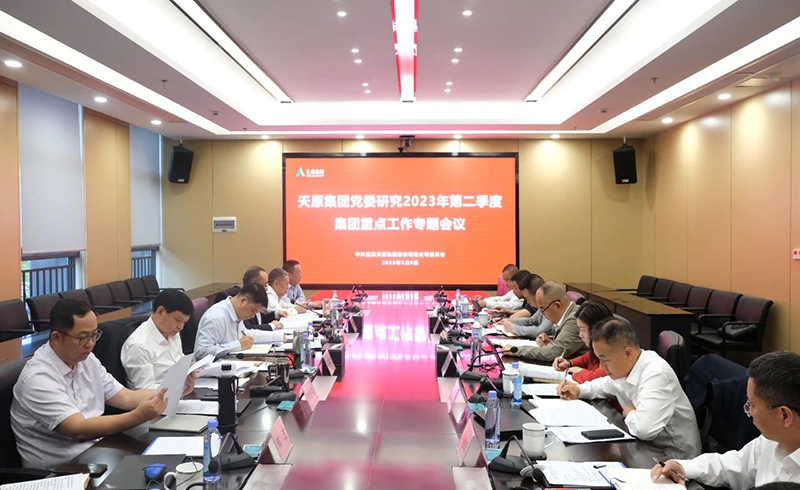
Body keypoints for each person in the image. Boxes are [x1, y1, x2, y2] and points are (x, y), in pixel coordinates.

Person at [11, 299, 168, 469]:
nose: (91, 344)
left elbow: (126, 397)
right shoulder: (38, 378)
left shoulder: (87, 360)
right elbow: (78, 429)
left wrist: (172, 389)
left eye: (94, 335)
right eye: (83, 337)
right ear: (57, 337)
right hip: (61, 469)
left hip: (96, 452)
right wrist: (137, 416)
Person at [558, 317, 701, 460]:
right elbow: (605, 385)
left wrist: (629, 412)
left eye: (605, 359)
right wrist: (579, 390)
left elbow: (644, 429)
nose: (601, 366)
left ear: (627, 352)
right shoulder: (626, 366)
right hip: (646, 448)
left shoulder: (656, 374)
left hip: (674, 458)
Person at [651, 351, 800, 488]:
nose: (748, 412)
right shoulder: (770, 441)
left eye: (752, 405)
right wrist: (683, 468)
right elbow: (729, 466)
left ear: (784, 415)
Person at [121, 289, 198, 392]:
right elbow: (146, 391)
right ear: (160, 311)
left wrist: (189, 369)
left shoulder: (173, 333)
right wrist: (179, 386)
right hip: (157, 400)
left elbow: (178, 362)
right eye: (178, 320)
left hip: (178, 394)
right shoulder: (139, 345)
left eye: (184, 322)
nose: (181, 327)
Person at [194, 283, 285, 360]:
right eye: (253, 311)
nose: (252, 316)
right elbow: (201, 352)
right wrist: (237, 345)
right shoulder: (216, 317)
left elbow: (246, 335)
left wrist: (277, 336)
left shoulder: (237, 313)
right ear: (243, 301)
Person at [504, 281, 586, 362]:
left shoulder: (575, 320)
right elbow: (564, 345)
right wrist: (550, 341)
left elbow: (553, 353)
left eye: (543, 310)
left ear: (557, 305)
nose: (542, 315)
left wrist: (516, 350)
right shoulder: (567, 315)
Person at [552, 301, 613, 383]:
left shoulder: (612, 354)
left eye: (583, 330)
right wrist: (569, 363)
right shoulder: (596, 350)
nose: (580, 335)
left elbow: (594, 378)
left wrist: (578, 371)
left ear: (596, 330)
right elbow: (586, 358)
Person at [494, 273, 553, 338]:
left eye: (528, 298)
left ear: (537, 294)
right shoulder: (542, 307)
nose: (528, 302)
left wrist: (514, 328)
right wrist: (506, 321)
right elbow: (531, 321)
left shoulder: (550, 307)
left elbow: (539, 331)